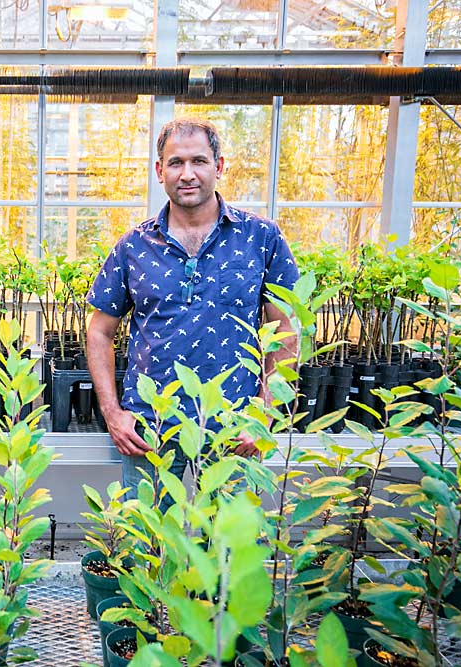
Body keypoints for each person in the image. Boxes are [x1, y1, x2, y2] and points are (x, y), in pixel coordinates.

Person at [86, 118, 299, 498]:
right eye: (175, 162)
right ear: (159, 170)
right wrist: (112, 413)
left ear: (218, 166)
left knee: (227, 550)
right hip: (151, 427)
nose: (187, 174)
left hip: (234, 428)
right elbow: (99, 330)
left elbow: (284, 331)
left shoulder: (261, 238)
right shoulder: (133, 246)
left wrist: (264, 415)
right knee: (148, 547)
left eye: (199, 161)